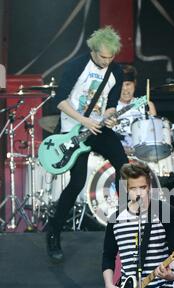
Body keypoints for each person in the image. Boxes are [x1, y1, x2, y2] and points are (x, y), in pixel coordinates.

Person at [46, 26, 128, 262]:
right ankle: (54, 232)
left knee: (125, 168)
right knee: (77, 181)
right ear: (93, 51)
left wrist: (111, 114)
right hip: (74, 130)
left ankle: (123, 227)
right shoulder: (77, 65)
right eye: (103, 56)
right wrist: (84, 121)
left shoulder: (116, 71)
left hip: (99, 128)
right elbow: (60, 99)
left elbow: (112, 103)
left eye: (111, 56)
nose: (107, 61)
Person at [113, 64, 157, 155]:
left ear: (135, 83)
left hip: (144, 152)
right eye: (121, 85)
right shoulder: (110, 106)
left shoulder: (146, 104)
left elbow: (155, 132)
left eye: (128, 84)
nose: (125, 89)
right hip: (117, 152)